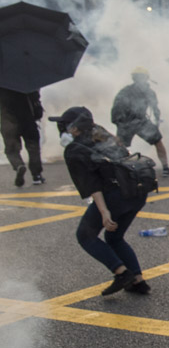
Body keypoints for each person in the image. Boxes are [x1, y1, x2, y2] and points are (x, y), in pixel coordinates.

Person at [48, 106, 150, 295]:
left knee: (85, 236)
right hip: (136, 191)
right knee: (114, 237)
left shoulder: (74, 149)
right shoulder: (102, 134)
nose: (61, 130)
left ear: (74, 129)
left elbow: (91, 184)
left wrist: (104, 212)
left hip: (115, 196)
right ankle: (137, 281)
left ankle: (121, 273)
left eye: (64, 126)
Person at [111, 66, 169, 176]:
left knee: (122, 147)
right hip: (134, 122)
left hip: (133, 122)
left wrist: (119, 123)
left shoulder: (127, 91)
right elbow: (155, 109)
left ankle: (121, 171)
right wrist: (156, 122)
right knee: (156, 143)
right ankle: (165, 168)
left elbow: (116, 109)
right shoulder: (145, 91)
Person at [0, 88, 45, 186]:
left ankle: (18, 165)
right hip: (27, 120)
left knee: (11, 150)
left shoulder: (2, 84)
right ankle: (36, 175)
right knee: (33, 147)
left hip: (8, 122)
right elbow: (36, 99)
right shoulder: (25, 83)